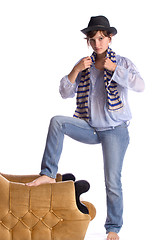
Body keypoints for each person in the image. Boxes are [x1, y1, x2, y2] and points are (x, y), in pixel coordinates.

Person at [27, 16, 145, 240]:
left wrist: (115, 69)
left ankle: (113, 227)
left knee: (112, 180)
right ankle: (48, 173)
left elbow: (140, 85)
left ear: (110, 38)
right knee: (57, 121)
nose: (97, 43)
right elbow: (64, 92)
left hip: (115, 130)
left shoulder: (122, 62)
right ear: (88, 42)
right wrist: (75, 69)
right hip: (90, 127)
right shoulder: (86, 65)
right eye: (92, 39)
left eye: (101, 38)